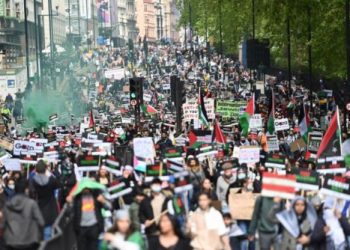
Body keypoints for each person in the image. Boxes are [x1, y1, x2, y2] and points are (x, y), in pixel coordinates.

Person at [3, 179, 45, 250]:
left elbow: (3, 223)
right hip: (29, 241)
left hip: (11, 241)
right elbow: (41, 222)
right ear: (26, 189)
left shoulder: (8, 205)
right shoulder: (31, 204)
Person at [30, 160, 60, 240]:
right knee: (48, 235)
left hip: (38, 209)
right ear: (45, 169)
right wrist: (50, 174)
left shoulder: (33, 181)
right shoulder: (51, 181)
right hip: (50, 211)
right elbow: (58, 184)